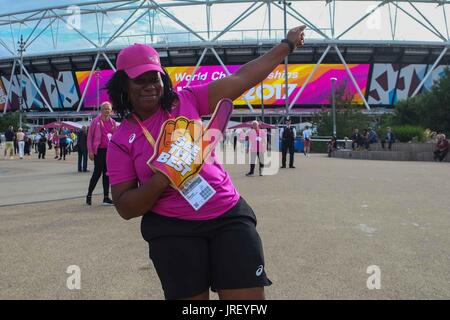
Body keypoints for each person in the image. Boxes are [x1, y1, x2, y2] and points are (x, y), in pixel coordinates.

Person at [105, 26, 305, 300]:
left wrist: (287, 45)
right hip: (172, 228)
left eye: (156, 77)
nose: (150, 85)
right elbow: (126, 207)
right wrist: (165, 174)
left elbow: (242, 77)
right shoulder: (120, 140)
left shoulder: (185, 100)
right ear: (123, 86)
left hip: (227, 214)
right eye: (140, 80)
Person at [86, 101, 118, 205]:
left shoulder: (113, 123)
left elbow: (116, 138)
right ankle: (89, 195)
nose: (107, 111)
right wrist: (90, 151)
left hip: (109, 152)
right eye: (105, 109)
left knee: (107, 174)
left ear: (111, 111)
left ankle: (106, 198)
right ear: (101, 110)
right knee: (97, 173)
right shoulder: (95, 121)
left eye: (108, 109)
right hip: (99, 151)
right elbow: (90, 137)